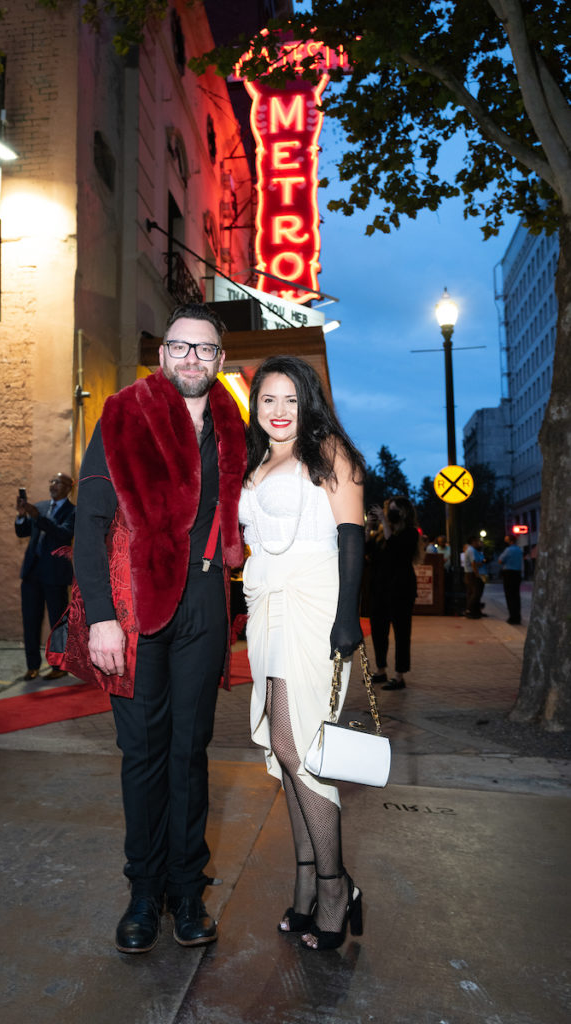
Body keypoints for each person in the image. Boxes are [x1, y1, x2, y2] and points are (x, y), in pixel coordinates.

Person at [72, 303, 246, 955]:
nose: (192, 359)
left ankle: (187, 890)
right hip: (135, 603)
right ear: (162, 354)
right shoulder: (121, 414)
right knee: (143, 753)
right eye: (180, 347)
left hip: (205, 597)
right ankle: (144, 893)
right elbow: (90, 523)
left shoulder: (235, 432)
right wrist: (102, 616)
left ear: (220, 362)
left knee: (189, 751)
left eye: (204, 350)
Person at [238, 355, 366, 952]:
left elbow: (350, 536)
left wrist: (347, 620)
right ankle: (306, 886)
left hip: (314, 608)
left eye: (291, 399)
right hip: (265, 611)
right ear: (255, 404)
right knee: (283, 748)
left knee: (299, 745)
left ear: (307, 401)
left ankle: (336, 889)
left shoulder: (330, 451)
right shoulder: (258, 460)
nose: (279, 411)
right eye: (268, 399)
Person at [15, 472, 75, 681]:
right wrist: (22, 515)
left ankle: (59, 666)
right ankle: (32, 666)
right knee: (30, 620)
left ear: (69, 487)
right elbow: (22, 533)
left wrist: (38, 518)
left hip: (55, 575)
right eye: (51, 481)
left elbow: (63, 534)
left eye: (58, 482)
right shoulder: (39, 507)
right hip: (32, 573)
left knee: (57, 622)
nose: (53, 485)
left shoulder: (73, 511)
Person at [366, 496, 421, 690]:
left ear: (404, 512)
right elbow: (367, 550)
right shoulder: (381, 533)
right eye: (388, 509)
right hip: (380, 588)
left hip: (401, 588)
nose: (389, 513)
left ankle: (399, 675)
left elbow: (396, 548)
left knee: (401, 632)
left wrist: (383, 521)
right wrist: (369, 527)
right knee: (378, 631)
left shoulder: (411, 533)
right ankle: (381, 670)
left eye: (394, 510)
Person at [498, 535, 524, 624]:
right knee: (516, 596)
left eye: (506, 541)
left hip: (509, 573)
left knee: (510, 595)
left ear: (510, 541)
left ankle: (513, 617)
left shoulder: (508, 550)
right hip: (517, 573)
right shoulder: (519, 550)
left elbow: (500, 560)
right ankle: (517, 616)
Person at [463, 535, 486, 618]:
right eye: (477, 541)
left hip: (471, 573)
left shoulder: (472, 550)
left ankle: (475, 611)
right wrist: (477, 575)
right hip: (471, 574)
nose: (478, 543)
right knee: (475, 593)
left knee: (474, 593)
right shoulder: (471, 550)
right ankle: (469, 610)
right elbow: (474, 563)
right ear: (473, 542)